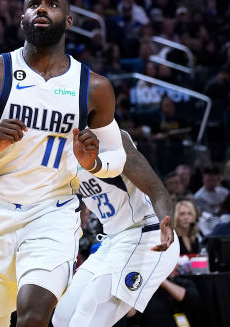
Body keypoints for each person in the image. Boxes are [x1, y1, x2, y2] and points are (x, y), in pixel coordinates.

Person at [0, 0, 126, 327]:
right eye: (34, 3)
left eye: (52, 4)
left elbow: (117, 157)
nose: (41, 8)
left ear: (68, 20)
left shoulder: (94, 87)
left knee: (33, 316)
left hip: (53, 212)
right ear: (22, 18)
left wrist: (94, 163)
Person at [52, 131, 177, 327]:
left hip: (147, 234)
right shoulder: (58, 149)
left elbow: (156, 189)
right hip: (113, 240)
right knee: (61, 317)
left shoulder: (112, 138)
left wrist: (166, 223)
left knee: (84, 316)